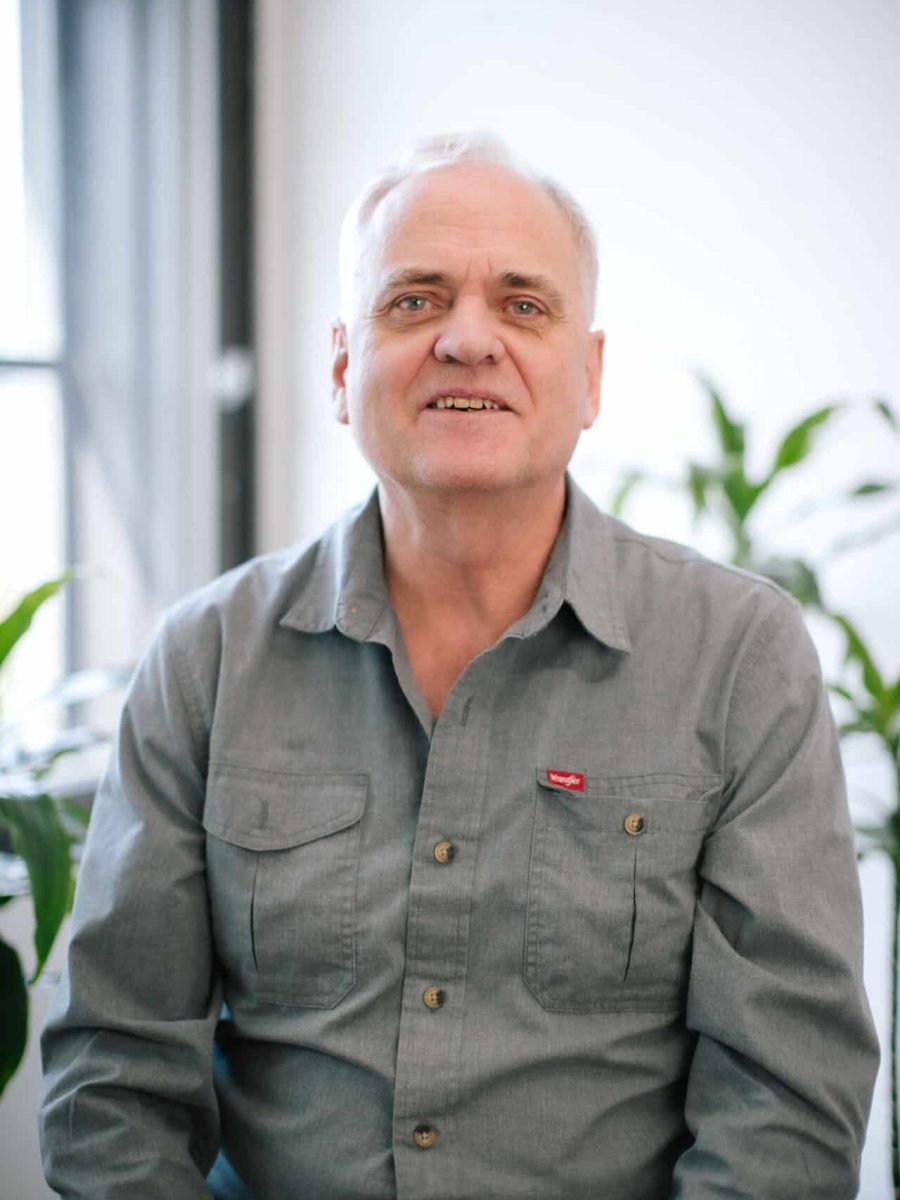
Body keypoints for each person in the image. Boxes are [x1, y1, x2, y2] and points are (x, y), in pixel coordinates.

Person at [40, 133, 878, 1200]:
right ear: (345, 370)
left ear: (590, 377)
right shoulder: (205, 659)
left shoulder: (741, 658)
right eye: (414, 301)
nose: (468, 340)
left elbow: (788, 1102)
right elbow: (114, 1077)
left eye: (524, 304)